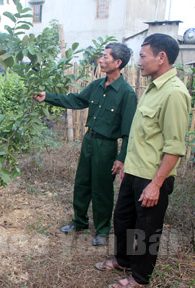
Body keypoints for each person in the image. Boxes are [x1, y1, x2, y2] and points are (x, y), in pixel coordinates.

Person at [95, 33, 191, 288]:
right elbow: (142, 136)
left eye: (143, 56)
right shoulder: (153, 87)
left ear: (161, 58)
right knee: (123, 219)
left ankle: (139, 278)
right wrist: (126, 164)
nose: (138, 61)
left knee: (147, 231)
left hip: (152, 177)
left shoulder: (174, 94)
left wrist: (156, 184)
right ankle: (124, 262)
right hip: (134, 171)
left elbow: (174, 146)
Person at [33, 43, 137, 246]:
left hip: (107, 146)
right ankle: (79, 221)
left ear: (118, 62)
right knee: (82, 183)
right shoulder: (97, 85)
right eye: (102, 56)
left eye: (106, 57)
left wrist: (121, 158)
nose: (101, 60)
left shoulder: (126, 93)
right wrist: (48, 97)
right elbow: (76, 100)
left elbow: (129, 132)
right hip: (89, 141)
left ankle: (102, 230)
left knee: (102, 188)